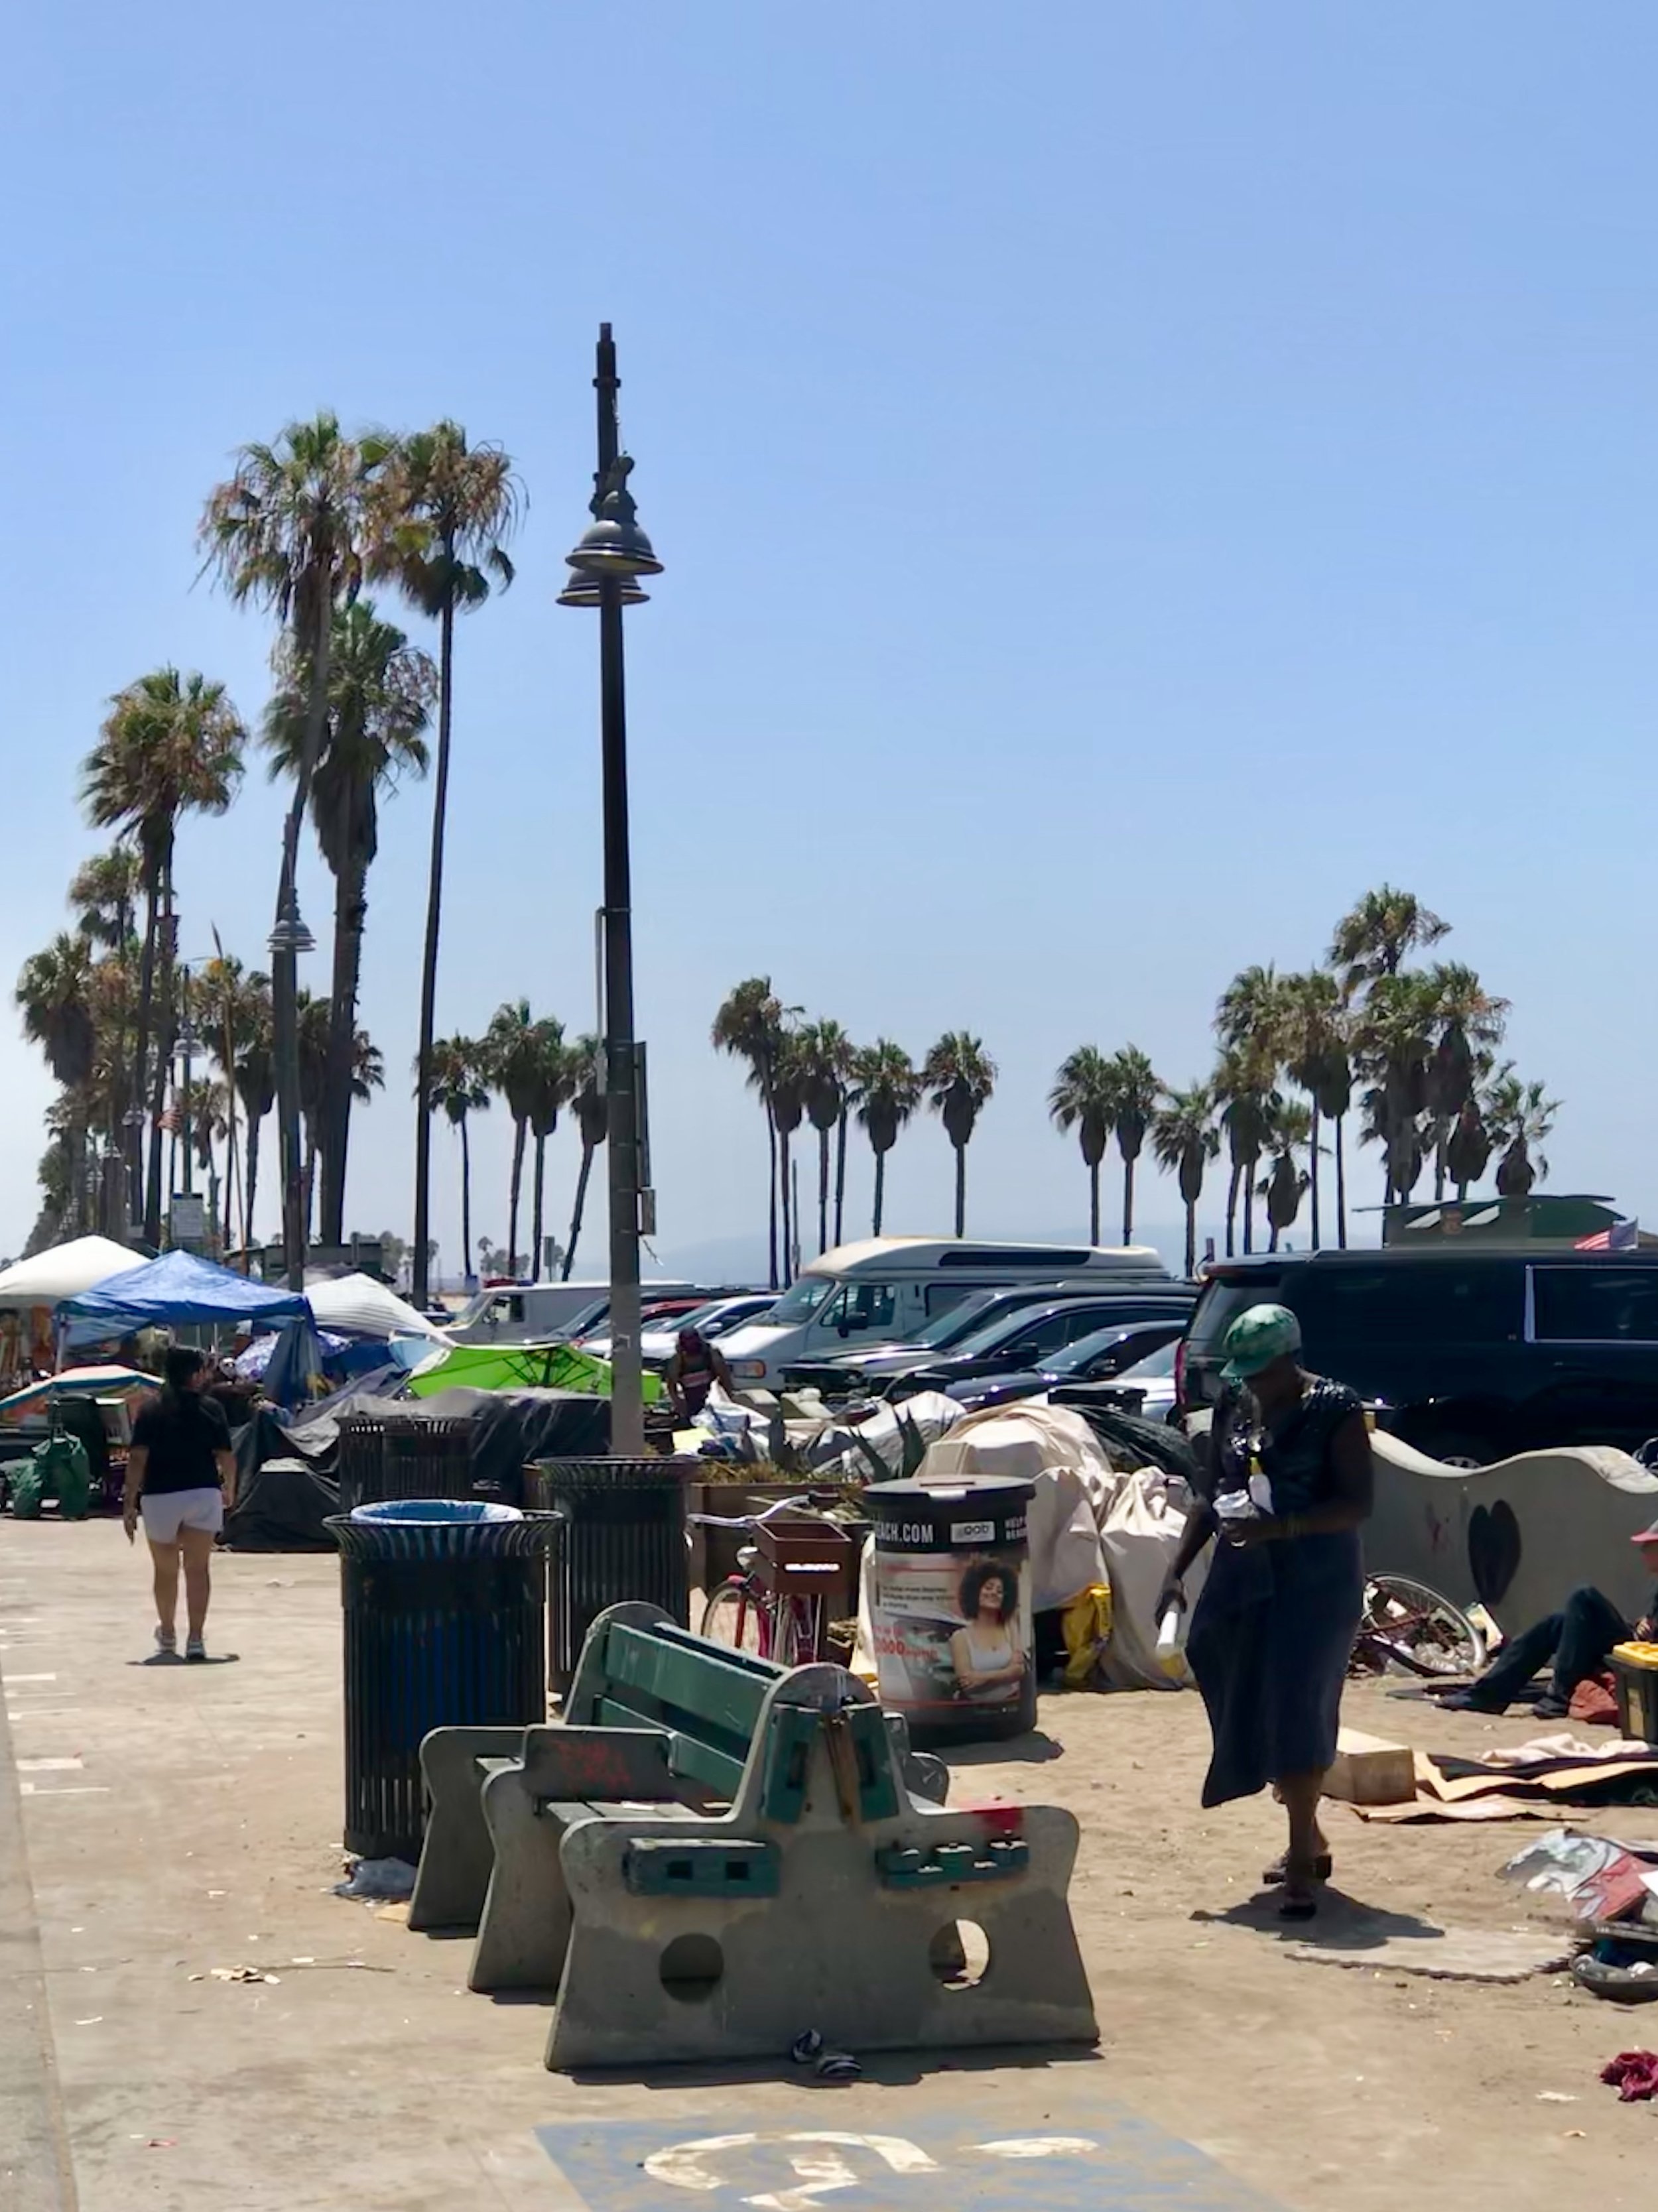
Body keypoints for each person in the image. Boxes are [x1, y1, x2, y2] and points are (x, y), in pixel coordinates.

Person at [1159, 1302, 1374, 1920]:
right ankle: (1307, 1829)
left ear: (1290, 1359)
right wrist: (1175, 1573)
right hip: (1245, 1575)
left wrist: (1283, 1528)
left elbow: (1357, 1504)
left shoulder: (1334, 1408)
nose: (1251, 1382)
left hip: (1317, 1580)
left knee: (1298, 1701)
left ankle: (1301, 1865)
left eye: (1261, 1370)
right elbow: (1211, 1490)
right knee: (1228, 1670)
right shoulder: (1235, 1402)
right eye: (1244, 1372)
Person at [1437, 1522, 1658, 1716]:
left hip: (1644, 1659)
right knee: (1557, 1623)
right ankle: (1487, 1695)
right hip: (1637, 1646)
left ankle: (1559, 1697)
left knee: (1584, 1596)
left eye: (1649, 1547)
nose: (1643, 1552)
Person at [121, 1347, 237, 1661]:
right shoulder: (212, 1408)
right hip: (202, 1493)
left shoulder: (150, 1410)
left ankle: (168, 1634)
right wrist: (231, 1489)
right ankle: (196, 1639)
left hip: (160, 1496)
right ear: (195, 1374)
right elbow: (226, 1456)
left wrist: (129, 1501)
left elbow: (138, 1457)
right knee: (198, 1570)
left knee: (165, 1571)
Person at [948, 1560, 1028, 1703]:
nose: (994, 1593)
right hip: (974, 1712)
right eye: (988, 1587)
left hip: (1011, 1707)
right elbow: (967, 1684)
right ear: (975, 1591)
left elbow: (1019, 1671)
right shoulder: (960, 1638)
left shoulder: (1010, 1627)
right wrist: (1007, 1673)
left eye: (1000, 1591)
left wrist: (982, 1677)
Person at [665, 1327, 733, 1422]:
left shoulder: (711, 1353)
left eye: (693, 1340)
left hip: (713, 1397)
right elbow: (671, 1384)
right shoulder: (678, 1359)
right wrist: (678, 1403)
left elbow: (724, 1376)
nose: (691, 1344)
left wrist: (727, 1398)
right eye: (687, 1341)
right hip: (691, 1400)